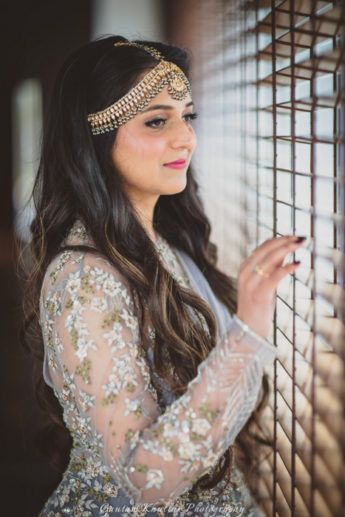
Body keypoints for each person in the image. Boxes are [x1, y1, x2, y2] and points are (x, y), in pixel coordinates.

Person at [22, 36, 305, 516]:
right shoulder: (83, 279)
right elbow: (145, 477)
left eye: (187, 116)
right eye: (157, 120)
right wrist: (249, 328)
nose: (185, 138)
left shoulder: (165, 243)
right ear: (95, 137)